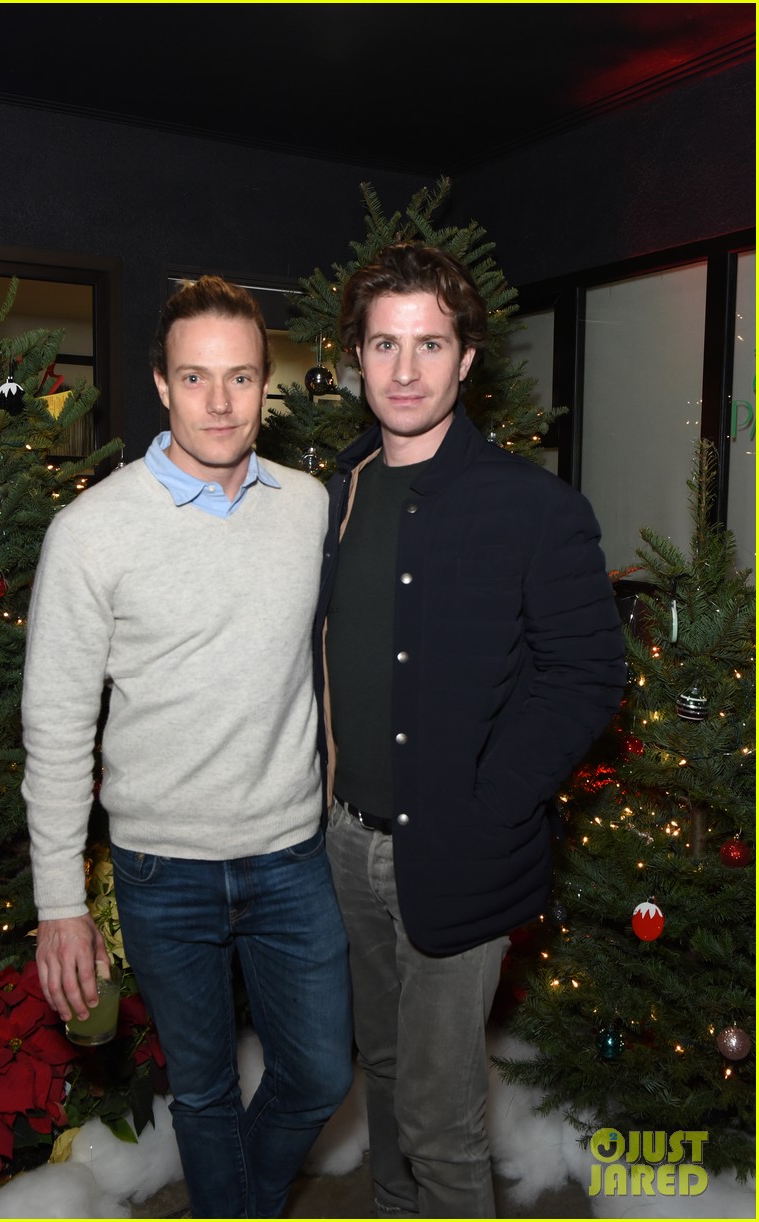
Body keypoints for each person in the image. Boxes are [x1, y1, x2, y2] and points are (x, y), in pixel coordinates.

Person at [21, 275, 353, 1218]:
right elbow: (55, 726)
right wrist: (60, 903)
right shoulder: (91, 532)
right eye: (195, 378)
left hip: (289, 855)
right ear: (162, 385)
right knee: (202, 1094)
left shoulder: (308, 507)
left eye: (241, 377)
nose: (220, 402)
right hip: (161, 869)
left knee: (321, 1073)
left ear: (263, 381)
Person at [316, 243, 626, 1218]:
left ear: (465, 359)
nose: (405, 369)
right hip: (343, 844)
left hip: (460, 855)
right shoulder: (336, 493)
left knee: (440, 1120)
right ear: (357, 356)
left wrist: (492, 806)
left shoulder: (534, 508)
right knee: (383, 1074)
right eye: (384, 344)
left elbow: (586, 676)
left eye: (430, 344)